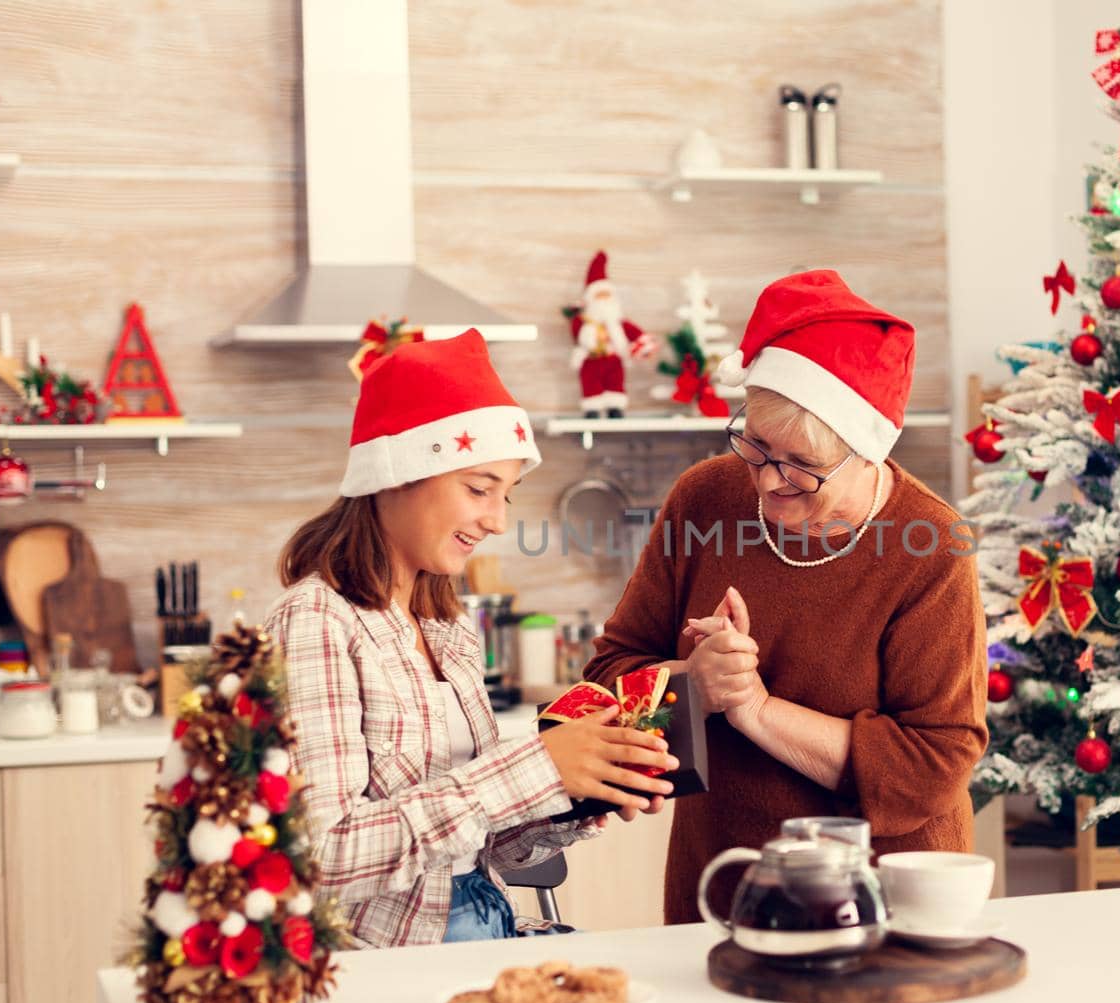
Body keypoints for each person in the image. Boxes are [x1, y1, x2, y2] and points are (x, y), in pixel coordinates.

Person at [583, 271, 989, 923]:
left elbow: (933, 765)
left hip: (881, 908)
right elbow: (604, 683)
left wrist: (754, 707)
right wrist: (693, 684)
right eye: (757, 445)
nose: (768, 482)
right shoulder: (705, 499)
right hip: (721, 894)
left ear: (866, 451)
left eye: (800, 464)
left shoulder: (933, 545)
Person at [267, 329, 675, 947]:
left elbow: (474, 846)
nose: (498, 520)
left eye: (506, 495)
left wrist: (575, 790)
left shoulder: (448, 627)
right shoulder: (317, 620)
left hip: (485, 922)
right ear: (397, 473)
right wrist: (534, 768)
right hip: (385, 962)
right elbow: (321, 857)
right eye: (479, 489)